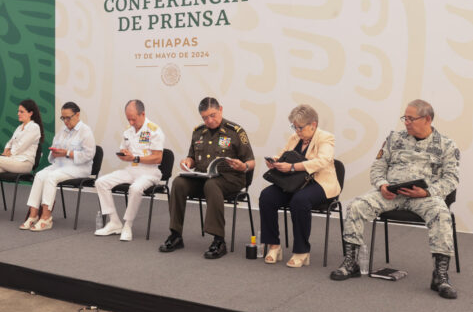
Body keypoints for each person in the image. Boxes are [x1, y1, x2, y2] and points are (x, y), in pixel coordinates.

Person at [330, 99, 460, 299]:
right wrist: (382, 185)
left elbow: (451, 179)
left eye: (411, 118)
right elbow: (378, 167)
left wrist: (428, 192)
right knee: (356, 206)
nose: (406, 122)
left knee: (442, 215)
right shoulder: (394, 139)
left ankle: (440, 276)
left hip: (424, 197)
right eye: (404, 118)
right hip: (390, 194)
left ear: (427, 119)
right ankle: (351, 263)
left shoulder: (447, 145)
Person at [159, 97, 254, 259]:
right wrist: (187, 162)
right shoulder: (198, 132)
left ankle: (219, 241)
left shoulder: (236, 131)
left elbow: (251, 162)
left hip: (231, 179)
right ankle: (175, 235)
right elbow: (192, 157)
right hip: (204, 178)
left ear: (221, 110)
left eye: (213, 115)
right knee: (178, 183)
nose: (209, 120)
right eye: (205, 117)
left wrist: (243, 166)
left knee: (212, 185)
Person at [258, 104, 340, 267]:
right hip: (295, 182)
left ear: (313, 125)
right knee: (266, 196)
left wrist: (293, 167)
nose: (297, 131)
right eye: (294, 127)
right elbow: (283, 154)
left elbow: (323, 161)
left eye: (300, 128)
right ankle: (274, 245)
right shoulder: (295, 138)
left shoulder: (326, 137)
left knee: (299, 201)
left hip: (320, 183)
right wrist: (275, 162)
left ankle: (302, 251)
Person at [95, 100, 164, 242]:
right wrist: (124, 154)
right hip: (131, 169)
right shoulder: (128, 130)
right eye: (128, 119)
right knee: (101, 182)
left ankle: (128, 225)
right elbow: (124, 150)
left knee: (135, 188)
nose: (131, 122)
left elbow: (158, 158)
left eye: (133, 119)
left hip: (149, 172)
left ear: (143, 114)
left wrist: (135, 158)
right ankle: (114, 222)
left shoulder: (154, 130)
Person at [19, 102, 96, 231]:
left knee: (51, 177)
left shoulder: (86, 131)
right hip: (60, 165)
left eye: (68, 117)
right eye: (63, 118)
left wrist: (67, 153)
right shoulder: (62, 131)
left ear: (77, 115)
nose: (65, 121)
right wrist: (54, 153)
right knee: (39, 175)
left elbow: (89, 155)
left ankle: (46, 217)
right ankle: (33, 216)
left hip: (79, 168)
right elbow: (52, 155)